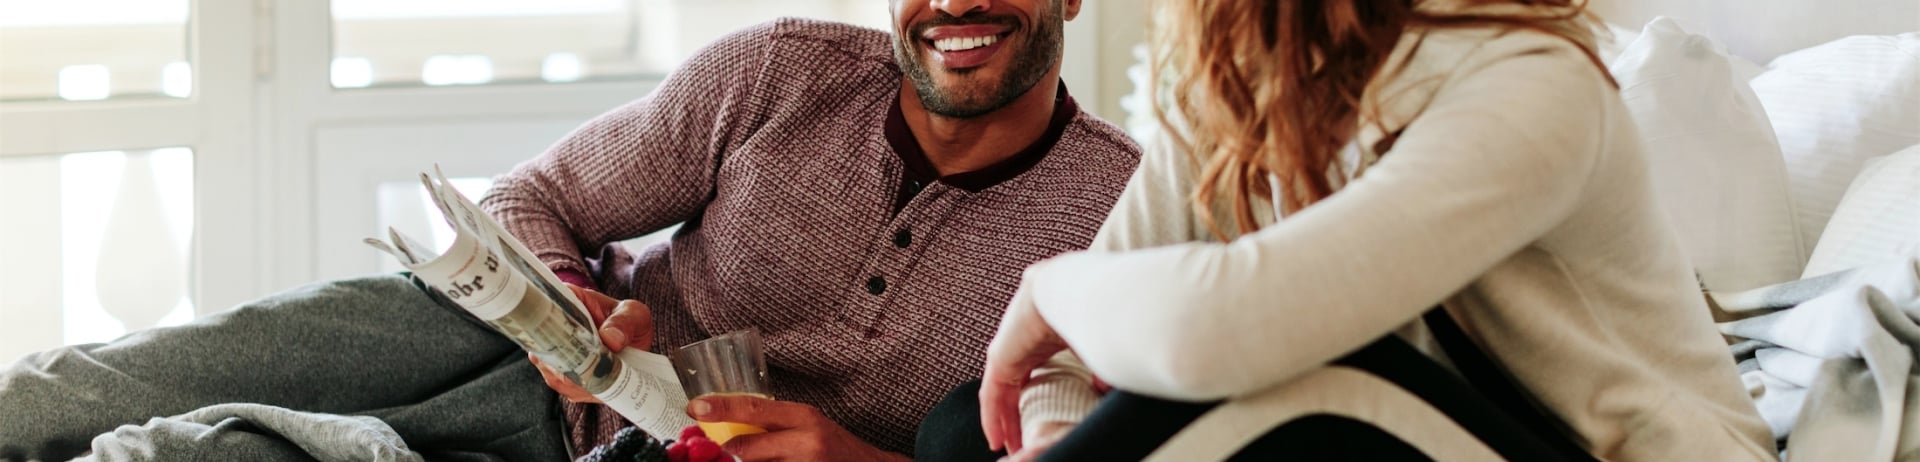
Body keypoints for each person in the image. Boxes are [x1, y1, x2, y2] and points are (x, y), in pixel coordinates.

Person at [0, 0, 1139, 459]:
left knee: (176, 457)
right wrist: (569, 299)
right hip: (489, 344)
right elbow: (532, 195)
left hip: (616, 458)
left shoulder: (1122, 215)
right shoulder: (782, 72)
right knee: (68, 393)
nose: (957, 2)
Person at [966, 0, 1774, 460]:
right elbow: (1064, 356)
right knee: (960, 433)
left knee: (1313, 368)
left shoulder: (1533, 85)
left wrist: (1052, 286)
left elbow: (1226, 327)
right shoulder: (1236, 91)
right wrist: (1060, 438)